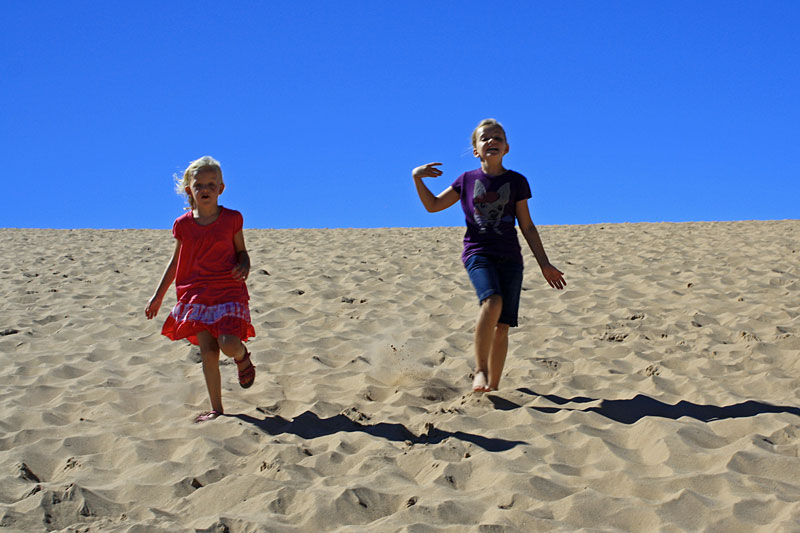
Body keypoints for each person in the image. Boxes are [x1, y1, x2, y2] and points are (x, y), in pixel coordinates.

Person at [412, 119, 566, 392]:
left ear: (506, 147)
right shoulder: (467, 180)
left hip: (511, 258)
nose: (491, 141)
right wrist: (416, 177)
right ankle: (480, 371)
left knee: (503, 325)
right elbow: (434, 206)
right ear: (476, 150)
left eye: (498, 138)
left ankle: (493, 387)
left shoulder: (517, 182)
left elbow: (527, 226)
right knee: (492, 302)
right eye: (485, 138)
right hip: (478, 252)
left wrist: (544, 264)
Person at [145, 156, 256, 422]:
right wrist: (157, 296)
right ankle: (217, 408)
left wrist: (244, 264)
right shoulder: (183, 225)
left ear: (221, 189)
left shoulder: (231, 219)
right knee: (208, 352)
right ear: (189, 190)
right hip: (196, 294)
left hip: (228, 289)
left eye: (211, 184)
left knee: (228, 343)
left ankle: (242, 358)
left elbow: (242, 252)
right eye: (199, 185)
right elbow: (175, 262)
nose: (205, 189)